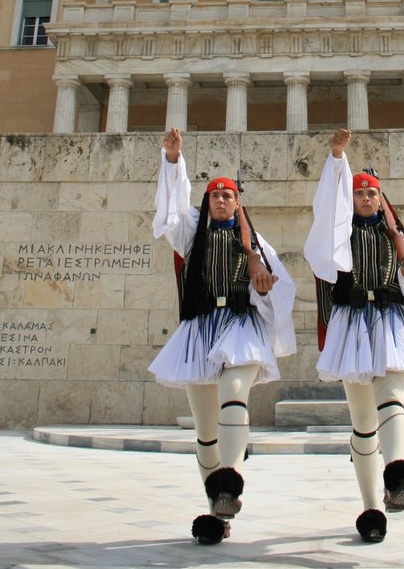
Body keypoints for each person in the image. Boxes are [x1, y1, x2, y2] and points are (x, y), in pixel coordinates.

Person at [148, 127, 296, 545]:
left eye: (228, 195)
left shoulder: (256, 244)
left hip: (240, 325)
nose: (220, 199)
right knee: (205, 430)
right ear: (207, 201)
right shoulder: (191, 232)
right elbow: (172, 211)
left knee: (234, 392)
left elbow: (282, 287)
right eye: (214, 194)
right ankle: (217, 510)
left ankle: (230, 480)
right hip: (199, 329)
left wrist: (263, 288)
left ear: (237, 203)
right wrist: (175, 161)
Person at [303, 128, 404, 544]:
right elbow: (328, 210)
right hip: (352, 325)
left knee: (392, 397)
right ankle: (371, 508)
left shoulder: (398, 236)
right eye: (360, 194)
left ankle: (398, 471)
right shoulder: (338, 237)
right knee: (364, 425)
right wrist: (336, 158)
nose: (366, 199)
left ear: (381, 199)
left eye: (372, 194)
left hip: (390, 321)